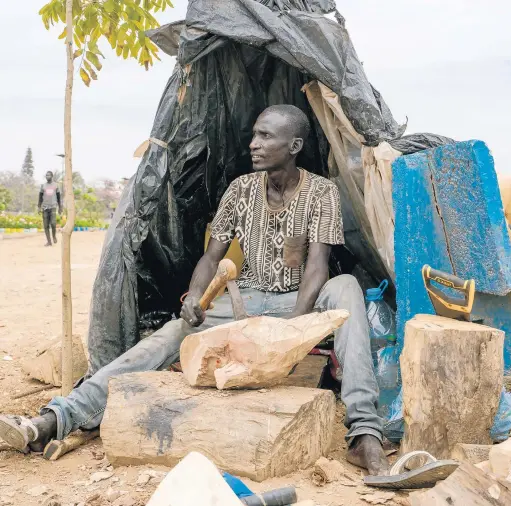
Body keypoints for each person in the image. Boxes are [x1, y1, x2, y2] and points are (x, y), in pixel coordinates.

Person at [0, 105, 389, 475]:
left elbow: (317, 266)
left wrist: (289, 331)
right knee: (171, 332)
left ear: (294, 146)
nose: (253, 143)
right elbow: (210, 257)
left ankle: (363, 432)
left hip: (296, 302)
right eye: (253, 135)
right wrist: (196, 298)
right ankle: (57, 418)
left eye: (265, 136)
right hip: (247, 297)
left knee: (346, 287)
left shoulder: (321, 192)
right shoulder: (240, 189)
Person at [38, 171, 62, 247]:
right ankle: (49, 242)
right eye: (46, 175)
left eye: (48, 175)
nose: (47, 176)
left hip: (53, 207)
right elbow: (40, 197)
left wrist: (60, 207)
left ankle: (54, 236)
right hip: (45, 207)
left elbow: (58, 197)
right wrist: (39, 207)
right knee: (45, 225)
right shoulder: (43, 186)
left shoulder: (56, 185)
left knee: (53, 223)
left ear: (52, 176)